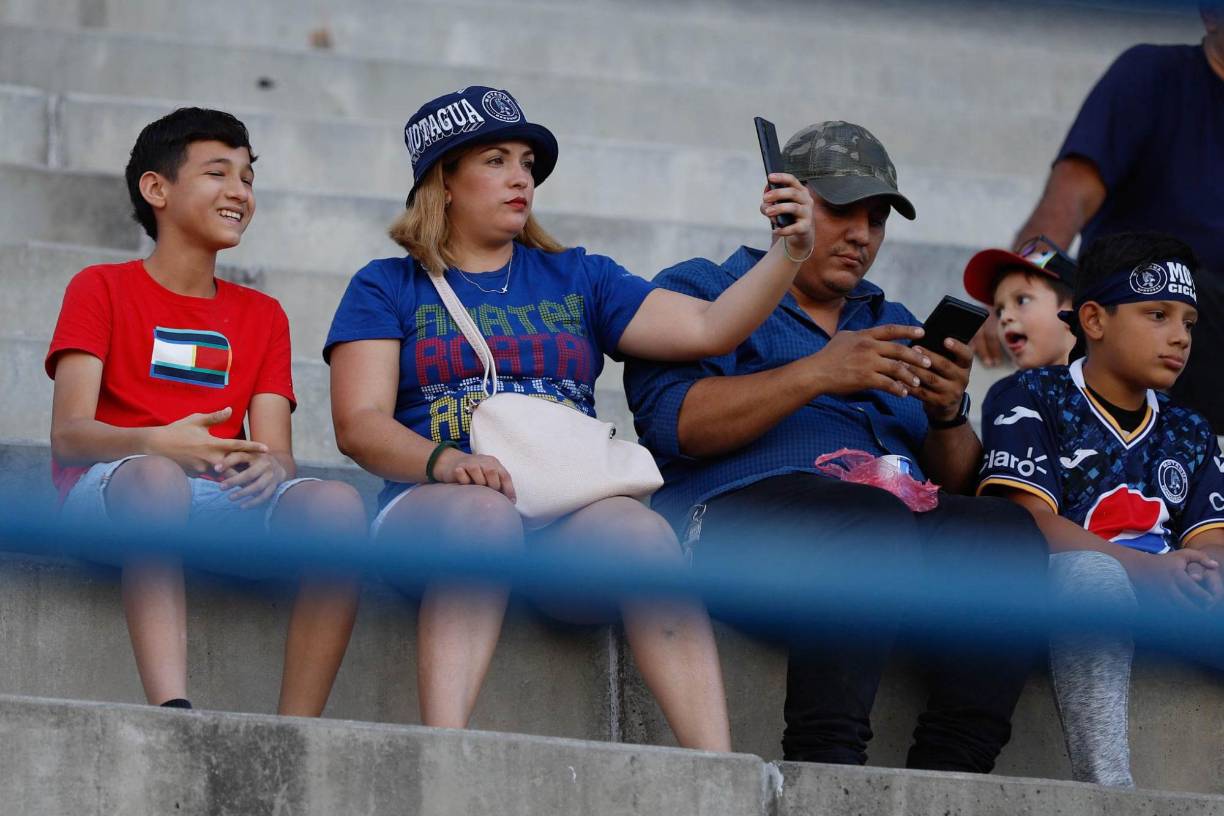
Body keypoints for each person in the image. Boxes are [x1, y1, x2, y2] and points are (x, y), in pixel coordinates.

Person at [323, 86, 817, 751]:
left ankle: (717, 769)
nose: (520, 176)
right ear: (443, 181)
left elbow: (706, 327)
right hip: (432, 508)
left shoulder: (578, 275)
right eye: (495, 160)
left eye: (527, 161)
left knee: (643, 537)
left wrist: (788, 252)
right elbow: (358, 423)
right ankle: (441, 756)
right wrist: (446, 463)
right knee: (482, 514)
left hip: (563, 515)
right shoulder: (386, 285)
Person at [623, 121, 1048, 771]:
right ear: (785, 201)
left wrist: (946, 413)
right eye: (843, 210)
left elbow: (957, 483)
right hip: (739, 526)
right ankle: (826, 771)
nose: (862, 235)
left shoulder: (891, 319)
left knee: (1005, 532)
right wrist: (818, 371)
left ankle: (951, 781)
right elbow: (674, 425)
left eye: (876, 219)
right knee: (865, 519)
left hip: (884, 531)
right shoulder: (703, 289)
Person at [46, 108, 364, 715]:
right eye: (218, 173)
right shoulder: (100, 287)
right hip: (116, 493)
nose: (238, 192)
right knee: (156, 477)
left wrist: (271, 468)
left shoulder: (263, 315)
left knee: (338, 504)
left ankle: (295, 726)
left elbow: (277, 449)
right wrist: (161, 444)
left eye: (247, 178)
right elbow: (69, 435)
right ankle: (173, 708)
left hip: (221, 501)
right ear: (156, 189)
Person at [978, 231, 1224, 787]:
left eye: (1188, 322)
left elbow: (1212, 536)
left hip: (1168, 594)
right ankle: (1110, 790)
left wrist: (1200, 570)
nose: (1179, 337)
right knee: (1095, 578)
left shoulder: (1189, 426)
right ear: (1093, 320)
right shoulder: (1031, 395)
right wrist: (1152, 571)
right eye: (1157, 315)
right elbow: (1030, 523)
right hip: (1063, 592)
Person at [976, 3, 1224, 433]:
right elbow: (1064, 206)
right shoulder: (1152, 76)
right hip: (1139, 309)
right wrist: (1014, 284)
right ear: (1209, 16)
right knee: (1182, 290)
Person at [962, 236, 1077, 370]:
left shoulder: (1102, 385)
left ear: (1072, 310)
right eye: (999, 311)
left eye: (1022, 300)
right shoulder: (1003, 390)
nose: (1004, 318)